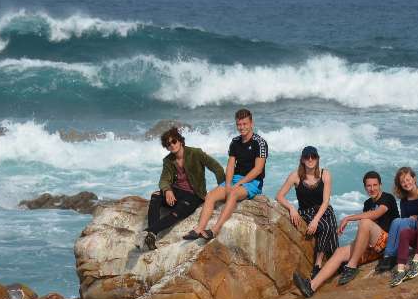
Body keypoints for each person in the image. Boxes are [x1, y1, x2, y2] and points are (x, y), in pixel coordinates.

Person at [291, 170, 398, 298]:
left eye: (375, 185)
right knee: (340, 252)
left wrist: (348, 218)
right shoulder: (367, 203)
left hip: (387, 244)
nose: (372, 188)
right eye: (369, 186)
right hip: (372, 247)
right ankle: (311, 286)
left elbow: (376, 214)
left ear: (380, 185)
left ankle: (351, 267)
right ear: (365, 187)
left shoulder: (387, 198)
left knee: (364, 222)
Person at [185, 108, 268, 241]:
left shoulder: (260, 143)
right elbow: (230, 165)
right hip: (235, 178)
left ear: (251, 123)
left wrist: (238, 185)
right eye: (239, 124)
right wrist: (229, 184)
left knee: (233, 194)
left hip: (253, 182)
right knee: (211, 195)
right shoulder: (235, 142)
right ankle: (199, 229)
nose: (242, 127)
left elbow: (258, 169)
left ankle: (214, 230)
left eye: (245, 124)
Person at [141, 126, 226, 250]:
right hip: (176, 192)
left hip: (194, 194)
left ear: (180, 141)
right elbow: (164, 179)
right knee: (155, 197)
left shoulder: (195, 153)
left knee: (177, 212)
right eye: (168, 144)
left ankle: (148, 232)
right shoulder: (168, 160)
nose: (172, 145)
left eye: (174, 141)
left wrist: (223, 188)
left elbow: (216, 167)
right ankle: (151, 235)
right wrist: (167, 190)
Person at [275, 145, 338, 276]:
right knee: (327, 227)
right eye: (307, 157)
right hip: (306, 212)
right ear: (302, 160)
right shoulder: (295, 176)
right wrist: (292, 208)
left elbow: (326, 201)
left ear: (317, 159)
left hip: (324, 210)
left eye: (313, 157)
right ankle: (321, 264)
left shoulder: (325, 174)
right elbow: (279, 196)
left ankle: (325, 263)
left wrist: (315, 221)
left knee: (330, 226)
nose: (310, 159)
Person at [376, 166, 418, 273]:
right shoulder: (404, 200)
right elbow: (403, 222)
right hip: (410, 231)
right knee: (396, 221)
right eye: (403, 182)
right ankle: (388, 256)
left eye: (408, 179)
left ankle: (391, 255)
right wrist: (409, 219)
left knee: (403, 221)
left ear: (414, 179)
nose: (406, 183)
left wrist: (417, 217)